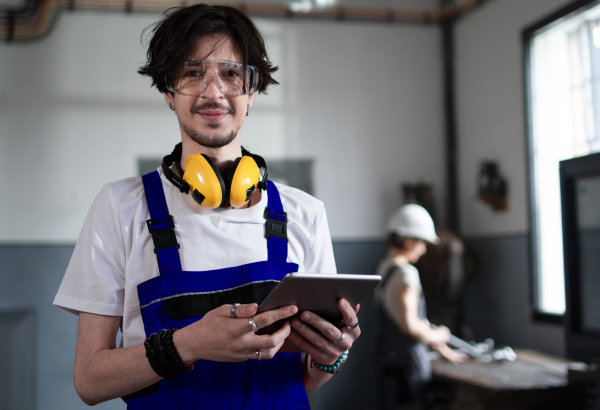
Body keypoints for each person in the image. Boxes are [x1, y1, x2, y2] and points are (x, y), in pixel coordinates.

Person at [53, 4, 361, 408]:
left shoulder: (305, 213)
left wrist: (331, 356)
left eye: (231, 74)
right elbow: (90, 382)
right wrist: (187, 344)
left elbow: (302, 379)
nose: (213, 91)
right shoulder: (121, 207)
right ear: (168, 91)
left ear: (251, 92)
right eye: (192, 72)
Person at [374, 204, 465, 410]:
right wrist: (440, 335)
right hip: (408, 367)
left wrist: (437, 345)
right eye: (422, 243)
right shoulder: (407, 273)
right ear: (408, 240)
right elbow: (409, 325)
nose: (424, 250)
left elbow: (398, 315)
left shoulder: (384, 267)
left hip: (388, 362)